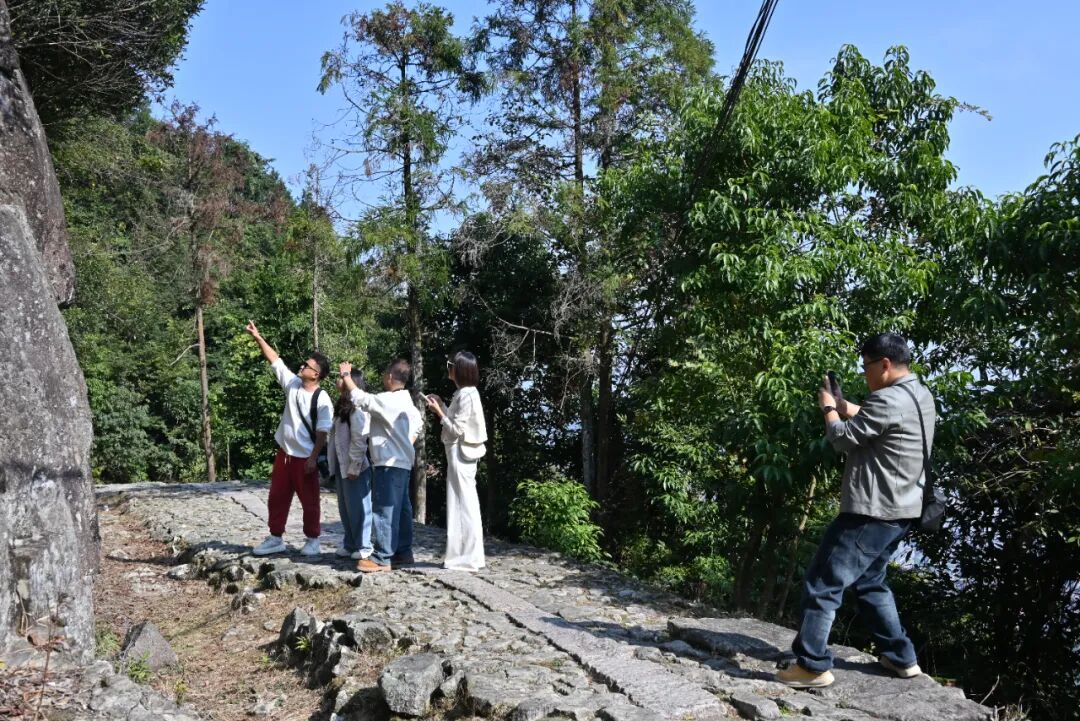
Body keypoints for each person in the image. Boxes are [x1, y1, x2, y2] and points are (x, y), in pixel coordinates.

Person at [777, 332, 934, 689]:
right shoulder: (919, 394)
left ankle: (812, 665)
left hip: (871, 510)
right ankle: (900, 657)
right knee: (871, 581)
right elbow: (875, 423)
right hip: (904, 509)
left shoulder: (887, 399)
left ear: (884, 364)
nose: (865, 375)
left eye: (866, 367)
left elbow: (842, 439)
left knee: (822, 583)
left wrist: (829, 409)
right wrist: (845, 405)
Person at [245, 321, 334, 557]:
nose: (302, 365)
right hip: (285, 454)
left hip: (305, 458)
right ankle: (276, 538)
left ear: (316, 374)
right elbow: (275, 361)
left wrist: (313, 458)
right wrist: (258, 337)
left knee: (310, 501)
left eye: (308, 365)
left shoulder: (323, 400)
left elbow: (322, 433)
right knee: (277, 497)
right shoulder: (293, 385)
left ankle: (313, 540)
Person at [337, 358, 422, 573]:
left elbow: (362, 400)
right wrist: (406, 442)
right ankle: (403, 551)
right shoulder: (407, 402)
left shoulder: (388, 400)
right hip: (402, 461)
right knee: (402, 508)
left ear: (390, 377)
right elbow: (419, 424)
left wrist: (347, 376)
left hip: (388, 462)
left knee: (384, 508)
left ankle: (383, 556)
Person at [424, 351, 487, 572]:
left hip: (461, 454)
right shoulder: (464, 393)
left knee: (463, 504)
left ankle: (467, 557)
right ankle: (466, 556)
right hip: (458, 454)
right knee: (462, 503)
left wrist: (439, 412)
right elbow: (455, 420)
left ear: (459, 369)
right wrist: (441, 405)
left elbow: (456, 429)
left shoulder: (468, 394)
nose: (448, 368)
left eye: (450, 365)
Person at [327, 368, 373, 560]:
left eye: (342, 377)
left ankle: (364, 545)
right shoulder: (342, 406)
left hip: (356, 466)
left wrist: (354, 466)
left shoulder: (357, 408)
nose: (338, 380)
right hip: (340, 463)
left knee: (360, 506)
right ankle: (350, 543)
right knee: (345, 507)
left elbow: (359, 439)